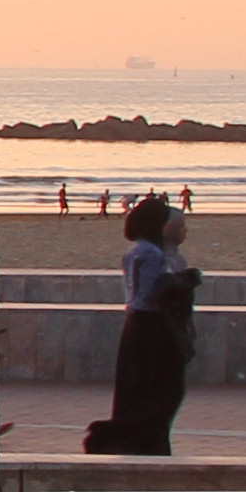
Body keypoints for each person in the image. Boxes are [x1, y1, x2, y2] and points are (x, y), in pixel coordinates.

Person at [84, 194, 201, 456]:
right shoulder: (151, 253)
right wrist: (179, 284)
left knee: (139, 391)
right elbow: (148, 294)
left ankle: (141, 440)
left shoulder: (138, 250)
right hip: (150, 328)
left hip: (138, 327)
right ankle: (121, 436)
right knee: (158, 393)